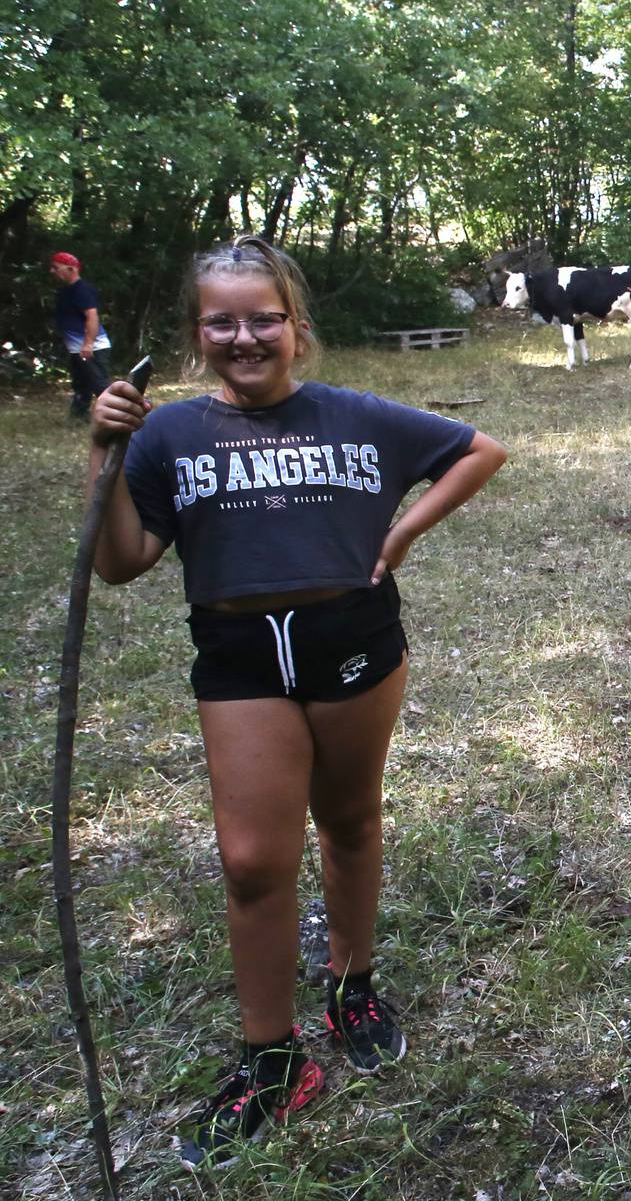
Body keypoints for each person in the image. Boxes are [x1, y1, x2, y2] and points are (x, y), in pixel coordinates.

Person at [86, 236, 509, 1168]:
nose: (245, 335)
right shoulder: (168, 435)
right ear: (199, 334)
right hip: (239, 654)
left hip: (351, 640)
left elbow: (482, 450)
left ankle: (352, 984)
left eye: (263, 318)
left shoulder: (356, 415)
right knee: (250, 861)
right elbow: (121, 562)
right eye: (223, 320)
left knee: (350, 820)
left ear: (297, 329)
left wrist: (399, 536)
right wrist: (104, 455)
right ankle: (273, 1059)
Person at [50, 251, 111, 418]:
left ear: (71, 269)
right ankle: (78, 416)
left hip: (92, 347)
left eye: (56, 268)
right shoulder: (65, 291)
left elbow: (92, 316)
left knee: (100, 385)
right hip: (77, 348)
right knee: (80, 384)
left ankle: (118, 416)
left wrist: (88, 343)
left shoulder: (81, 290)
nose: (52, 271)